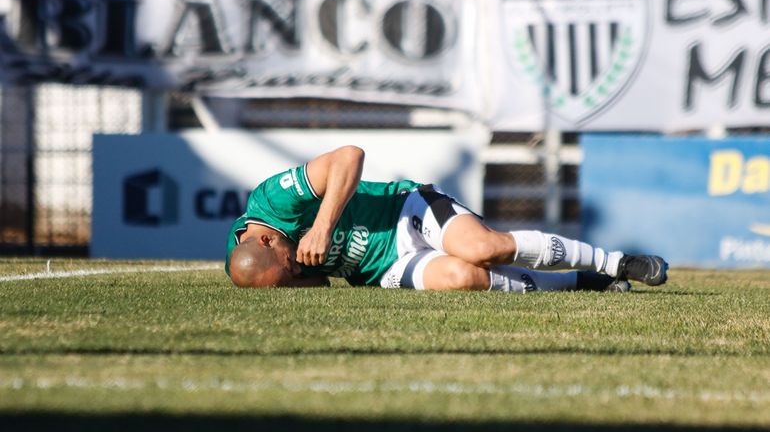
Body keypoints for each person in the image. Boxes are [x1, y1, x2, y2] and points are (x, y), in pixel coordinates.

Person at [225, 145, 668, 292]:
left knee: (483, 248)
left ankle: (615, 262)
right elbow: (314, 283)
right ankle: (580, 283)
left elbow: (349, 156)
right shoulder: (256, 265)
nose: (297, 270)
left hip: (405, 211)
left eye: (290, 265)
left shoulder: (274, 201)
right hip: (381, 268)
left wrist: (322, 226)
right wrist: (296, 280)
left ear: (266, 241)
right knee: (462, 277)